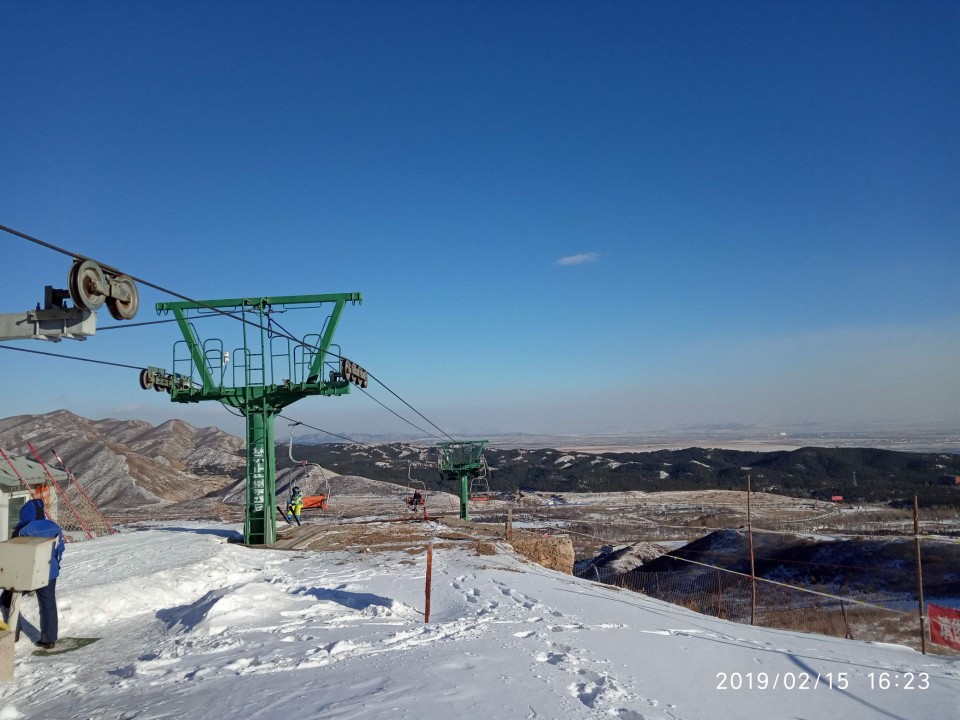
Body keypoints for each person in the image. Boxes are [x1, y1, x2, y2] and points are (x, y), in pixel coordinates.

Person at [0, 498, 65, 649]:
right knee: (48, 605)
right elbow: (59, 550)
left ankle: (12, 632)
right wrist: (55, 566)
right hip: (50, 571)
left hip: (26, 574)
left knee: (7, 600)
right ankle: (49, 640)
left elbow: (15, 554)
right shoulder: (55, 527)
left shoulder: (23, 531)